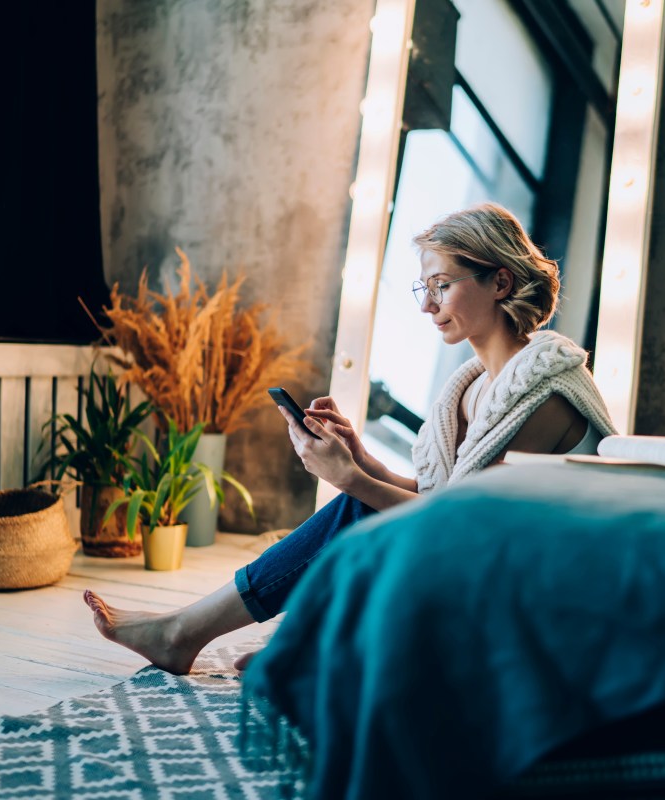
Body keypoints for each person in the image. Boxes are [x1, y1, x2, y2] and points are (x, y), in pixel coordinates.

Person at [83, 202, 616, 674]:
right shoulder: (475, 386)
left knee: (361, 511)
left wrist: (353, 480)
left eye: (443, 286)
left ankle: (200, 635)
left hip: (542, 583)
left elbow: (458, 522)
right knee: (362, 507)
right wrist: (361, 460)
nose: (427, 307)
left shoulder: (540, 391)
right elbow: (442, 498)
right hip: (489, 553)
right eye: (423, 288)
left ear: (500, 283)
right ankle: (295, 643)